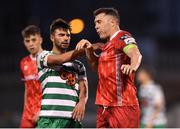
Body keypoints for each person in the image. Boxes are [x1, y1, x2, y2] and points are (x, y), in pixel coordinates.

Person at [76, 7, 142, 128]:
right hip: (103, 107)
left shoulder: (122, 36)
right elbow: (96, 68)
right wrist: (89, 50)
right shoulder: (107, 45)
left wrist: (132, 66)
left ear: (112, 22)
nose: (96, 26)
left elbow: (135, 53)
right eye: (95, 23)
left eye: (99, 22)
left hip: (122, 107)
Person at [36, 18, 90, 128]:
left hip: (73, 120)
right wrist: (86, 49)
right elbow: (60, 59)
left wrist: (82, 102)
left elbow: (84, 89)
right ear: (52, 37)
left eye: (68, 35)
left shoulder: (79, 65)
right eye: (61, 35)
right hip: (49, 119)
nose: (66, 38)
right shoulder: (42, 56)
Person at [20, 25, 43, 128]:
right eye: (27, 41)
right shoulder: (24, 62)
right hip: (28, 114)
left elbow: (52, 90)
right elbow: (27, 88)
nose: (31, 44)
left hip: (44, 114)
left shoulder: (49, 60)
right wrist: (25, 110)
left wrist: (42, 111)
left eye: (34, 40)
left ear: (40, 40)